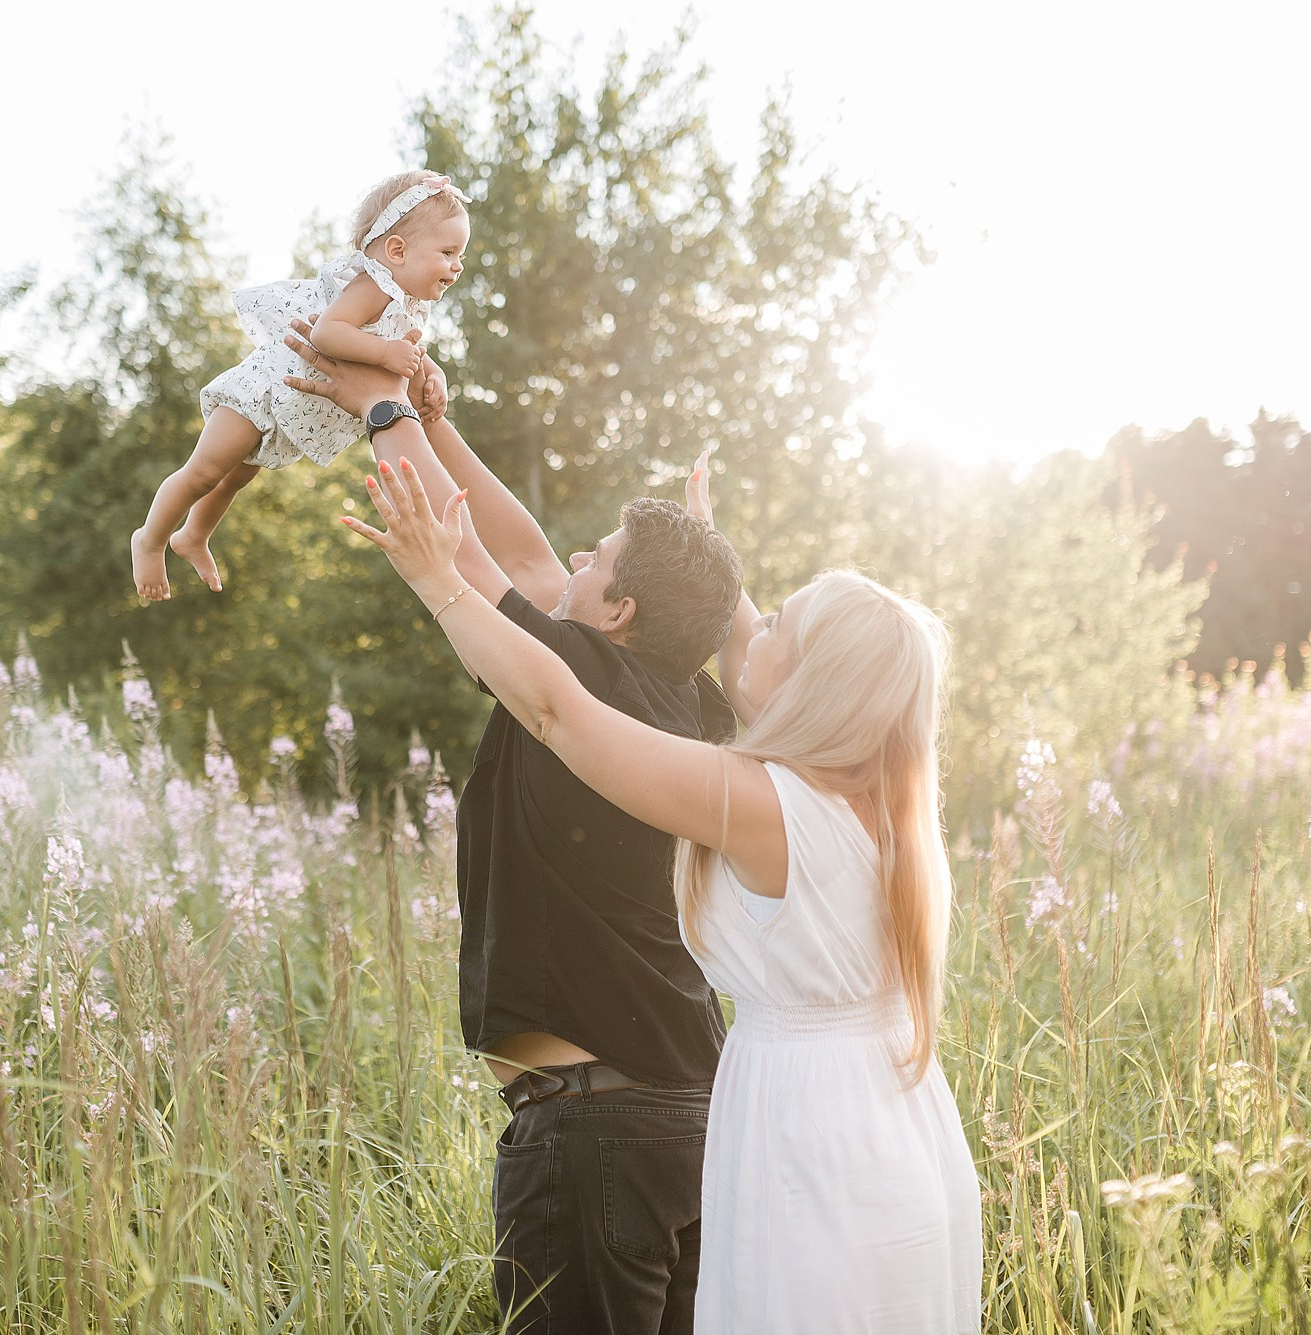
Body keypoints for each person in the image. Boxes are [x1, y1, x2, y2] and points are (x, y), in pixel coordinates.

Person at [344, 443, 984, 1333]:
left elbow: (560, 711)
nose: (741, 631)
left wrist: (437, 579)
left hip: (805, 1142)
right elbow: (750, 659)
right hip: (867, 1128)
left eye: (767, 626)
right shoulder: (873, 804)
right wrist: (711, 573)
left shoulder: (766, 804)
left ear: (812, 684)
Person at [282, 332, 744, 1333]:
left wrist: (378, 401)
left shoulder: (569, 676)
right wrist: (436, 424)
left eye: (599, 560)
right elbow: (529, 557)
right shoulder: (684, 702)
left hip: (591, 1134)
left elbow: (474, 558)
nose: (572, 557)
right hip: (691, 1126)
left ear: (616, 610)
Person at [128, 169, 468, 600]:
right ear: (397, 250)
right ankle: (150, 539)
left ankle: (193, 534)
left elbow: (403, 346)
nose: (457, 265)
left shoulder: (407, 304)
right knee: (204, 472)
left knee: (233, 479)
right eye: (448, 252)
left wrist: (430, 372)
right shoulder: (372, 287)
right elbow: (328, 332)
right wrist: (386, 355)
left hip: (288, 409)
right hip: (264, 393)